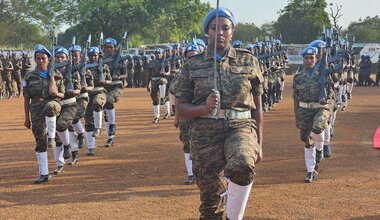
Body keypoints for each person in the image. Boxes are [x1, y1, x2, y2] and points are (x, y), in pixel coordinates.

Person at [175, 7, 263, 219]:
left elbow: (258, 106)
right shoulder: (192, 65)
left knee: (242, 165)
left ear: (232, 32)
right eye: (215, 28)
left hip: (240, 127)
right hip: (205, 134)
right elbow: (181, 107)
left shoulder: (248, 61)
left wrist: (260, 143)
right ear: (208, 32)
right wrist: (203, 108)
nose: (221, 32)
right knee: (210, 203)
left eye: (226, 28)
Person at [23, 44, 64, 183]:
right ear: (35, 59)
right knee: (40, 140)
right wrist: (27, 118)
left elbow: (62, 94)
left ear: (49, 60)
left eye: (43, 58)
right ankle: (44, 173)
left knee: (50, 107)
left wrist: (52, 77)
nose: (41, 61)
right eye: (38, 58)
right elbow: (26, 98)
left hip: (53, 104)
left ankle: (52, 137)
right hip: (35, 108)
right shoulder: (29, 76)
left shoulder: (57, 75)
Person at [293, 46, 332, 183]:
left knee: (318, 128)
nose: (309, 60)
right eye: (306, 58)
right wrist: (296, 116)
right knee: (307, 141)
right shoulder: (298, 77)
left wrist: (326, 101)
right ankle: (310, 170)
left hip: (320, 108)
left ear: (316, 59)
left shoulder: (323, 74)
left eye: (312, 58)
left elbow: (331, 93)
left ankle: (320, 148)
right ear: (303, 60)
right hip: (304, 110)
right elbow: (295, 98)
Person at [173, 42, 199, 185]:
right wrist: (177, 117)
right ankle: (190, 173)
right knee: (186, 143)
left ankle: (200, 171)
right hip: (186, 115)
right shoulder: (181, 74)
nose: (191, 60)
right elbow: (177, 96)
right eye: (189, 58)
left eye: (194, 57)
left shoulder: (206, 72)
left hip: (203, 114)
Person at [84, 46, 111, 155]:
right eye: (91, 55)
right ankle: (91, 146)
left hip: (100, 91)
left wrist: (104, 81)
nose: (93, 57)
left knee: (97, 103)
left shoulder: (103, 66)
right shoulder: (85, 66)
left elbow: (109, 81)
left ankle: (98, 127)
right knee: (88, 120)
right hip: (87, 93)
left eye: (95, 55)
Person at [102, 38, 128, 147]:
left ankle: (112, 126)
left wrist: (119, 76)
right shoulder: (100, 60)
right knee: (104, 110)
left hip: (117, 85)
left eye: (111, 47)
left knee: (109, 101)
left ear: (114, 48)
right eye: (107, 47)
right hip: (105, 87)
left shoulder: (120, 59)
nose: (109, 49)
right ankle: (110, 137)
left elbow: (125, 75)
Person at [147, 48, 171, 123]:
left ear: (161, 53)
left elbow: (169, 71)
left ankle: (167, 112)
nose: (157, 54)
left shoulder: (165, 61)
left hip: (163, 79)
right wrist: (148, 84)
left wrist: (165, 73)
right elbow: (149, 74)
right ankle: (156, 116)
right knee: (154, 99)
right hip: (154, 80)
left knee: (162, 83)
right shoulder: (151, 62)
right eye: (156, 53)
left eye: (159, 53)